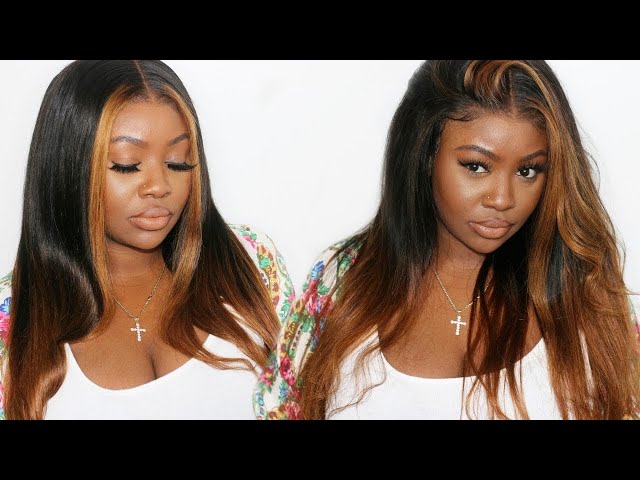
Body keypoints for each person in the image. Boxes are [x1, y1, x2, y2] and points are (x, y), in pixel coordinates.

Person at [256, 60, 640, 420]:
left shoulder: (585, 293)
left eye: (528, 171)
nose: (503, 199)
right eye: (476, 166)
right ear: (425, 154)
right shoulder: (343, 281)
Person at [0, 60, 294, 420]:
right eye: (127, 165)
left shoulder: (252, 262)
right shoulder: (12, 319)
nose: (159, 186)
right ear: (67, 167)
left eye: (177, 162)